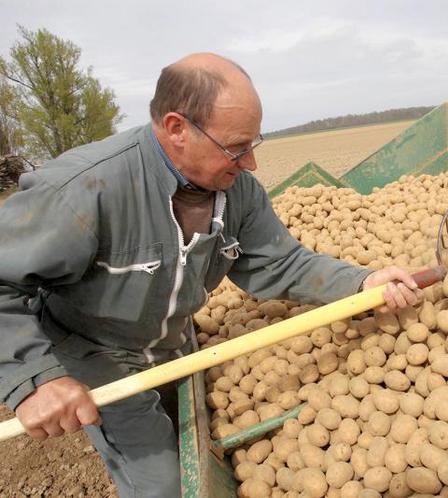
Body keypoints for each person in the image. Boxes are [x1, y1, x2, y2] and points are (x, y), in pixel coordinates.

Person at [0, 53, 421, 497]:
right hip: (96, 352)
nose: (252, 163)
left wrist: (362, 282)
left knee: (180, 433)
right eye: (237, 148)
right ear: (177, 128)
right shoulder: (83, 190)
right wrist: (36, 380)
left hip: (173, 340)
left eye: (253, 143)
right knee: (166, 486)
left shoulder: (237, 191)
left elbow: (280, 262)